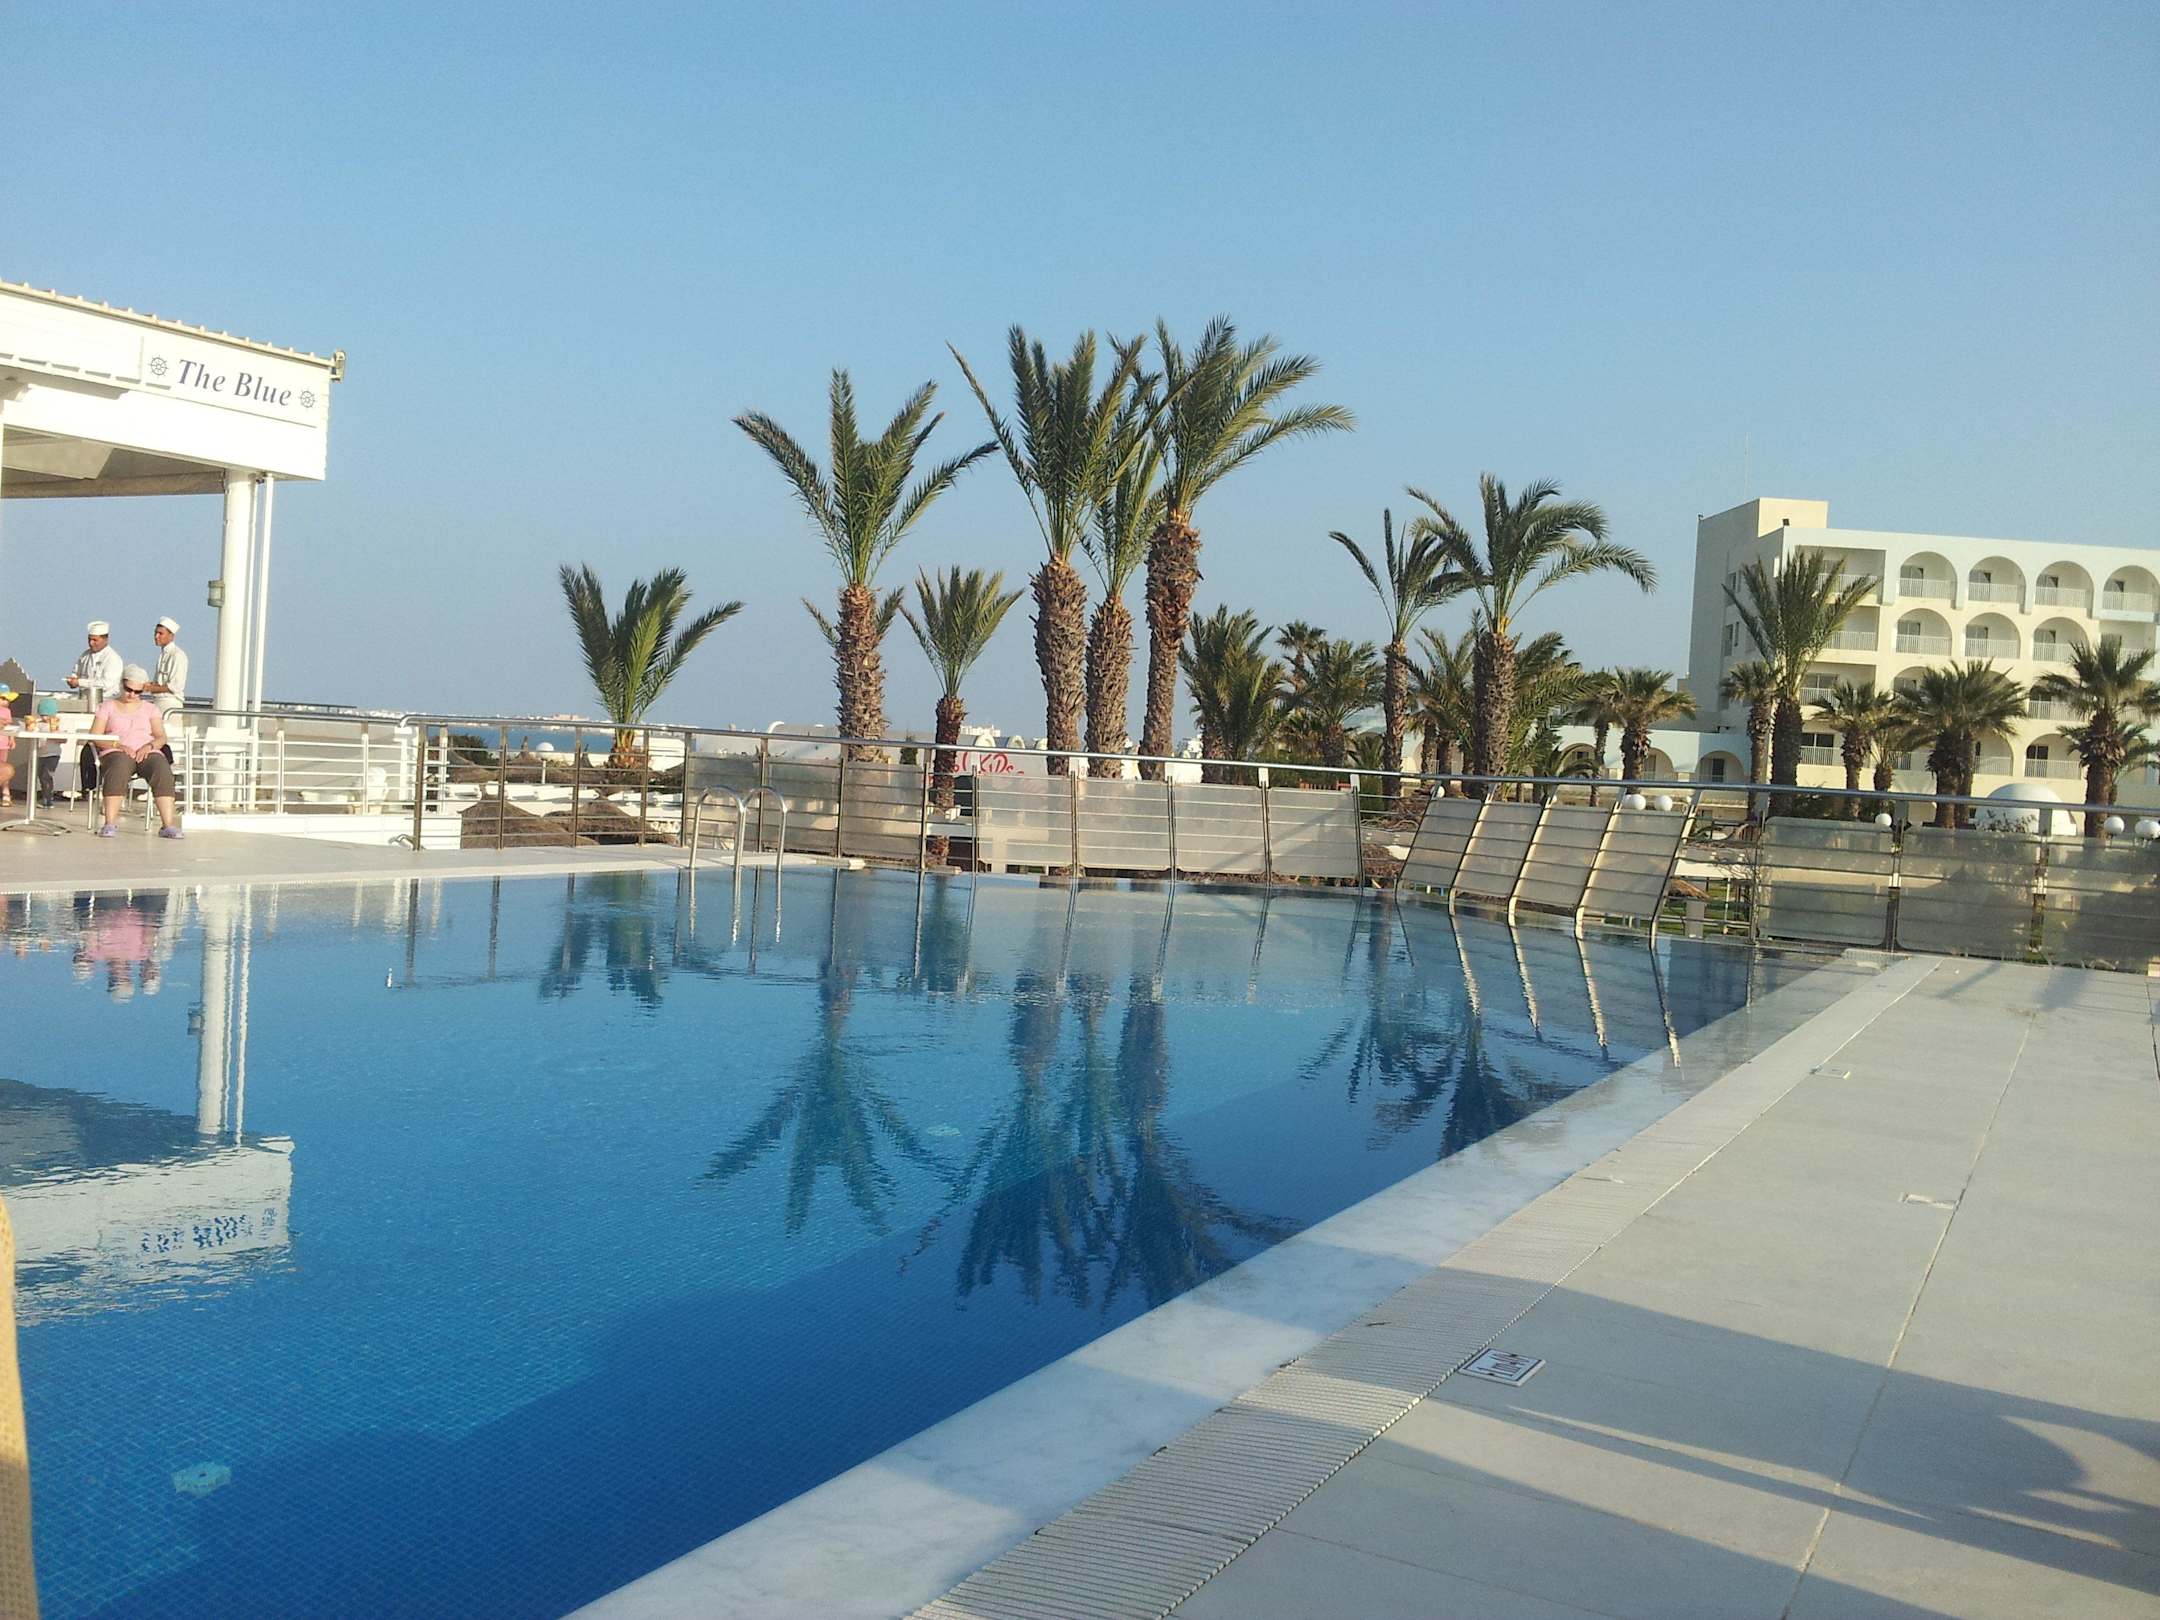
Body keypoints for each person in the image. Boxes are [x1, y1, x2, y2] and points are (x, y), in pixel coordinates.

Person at [91, 666, 182, 839]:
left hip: (145, 749)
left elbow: (161, 736)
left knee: (161, 768)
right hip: (116, 749)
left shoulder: (150, 709)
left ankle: (168, 825)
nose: (132, 695)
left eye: (137, 692)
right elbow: (95, 735)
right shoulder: (107, 706)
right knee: (119, 766)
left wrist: (150, 746)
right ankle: (109, 823)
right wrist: (118, 745)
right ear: (121, 685)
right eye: (128, 689)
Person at [142, 617, 189, 725]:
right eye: (155, 633)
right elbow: (159, 682)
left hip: (170, 704)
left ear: (171, 636)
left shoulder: (177, 655)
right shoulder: (163, 654)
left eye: (160, 633)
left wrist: (149, 688)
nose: (156, 636)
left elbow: (175, 687)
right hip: (157, 702)